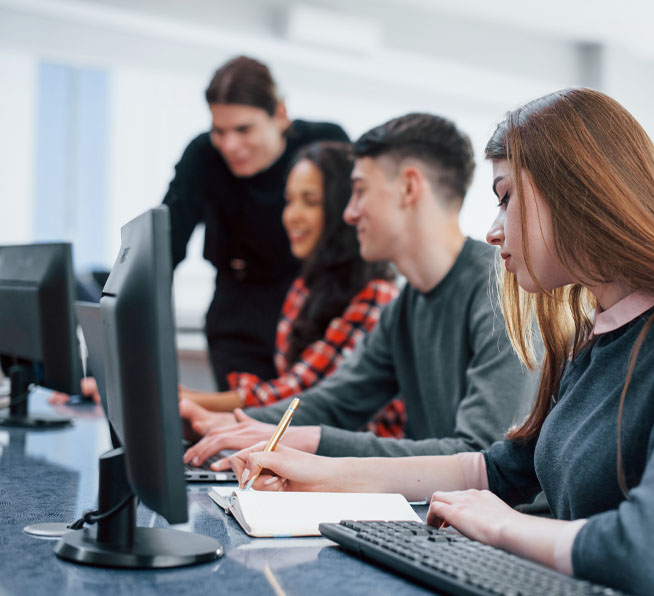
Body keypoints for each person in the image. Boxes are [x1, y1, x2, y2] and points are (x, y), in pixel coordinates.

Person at [225, 89, 654, 596]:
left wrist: (501, 527)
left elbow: (651, 552)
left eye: (506, 198)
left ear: (578, 192)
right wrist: (320, 473)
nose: (493, 230)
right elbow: (493, 470)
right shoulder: (598, 335)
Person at [181, 112, 538, 467]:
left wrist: (313, 441)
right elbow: (334, 402)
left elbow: (482, 455)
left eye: (360, 191)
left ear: (409, 188)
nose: (349, 213)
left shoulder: (502, 289)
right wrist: (229, 424)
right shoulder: (405, 307)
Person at [179, 141, 404, 436]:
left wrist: (189, 401)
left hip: (361, 464)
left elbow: (302, 393)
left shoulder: (376, 295)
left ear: (342, 209)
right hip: (309, 447)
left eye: (310, 201)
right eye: (290, 200)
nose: (292, 215)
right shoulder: (304, 287)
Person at [164, 55, 349, 390]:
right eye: (219, 131)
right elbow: (163, 249)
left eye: (243, 129)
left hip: (313, 306)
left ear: (279, 114)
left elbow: (353, 234)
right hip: (238, 311)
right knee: (245, 423)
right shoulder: (203, 156)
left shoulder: (323, 145)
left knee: (304, 420)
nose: (230, 145)